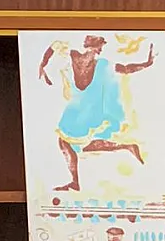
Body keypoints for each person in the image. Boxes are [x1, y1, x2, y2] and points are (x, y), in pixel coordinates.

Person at [38, 35, 156, 192]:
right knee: (76, 144)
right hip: (82, 109)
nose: (99, 50)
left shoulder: (89, 60)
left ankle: (76, 181)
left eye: (99, 48)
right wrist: (42, 65)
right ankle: (126, 146)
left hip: (83, 110)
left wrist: (43, 65)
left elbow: (126, 68)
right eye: (99, 47)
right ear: (94, 47)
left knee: (65, 142)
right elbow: (54, 46)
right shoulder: (88, 59)